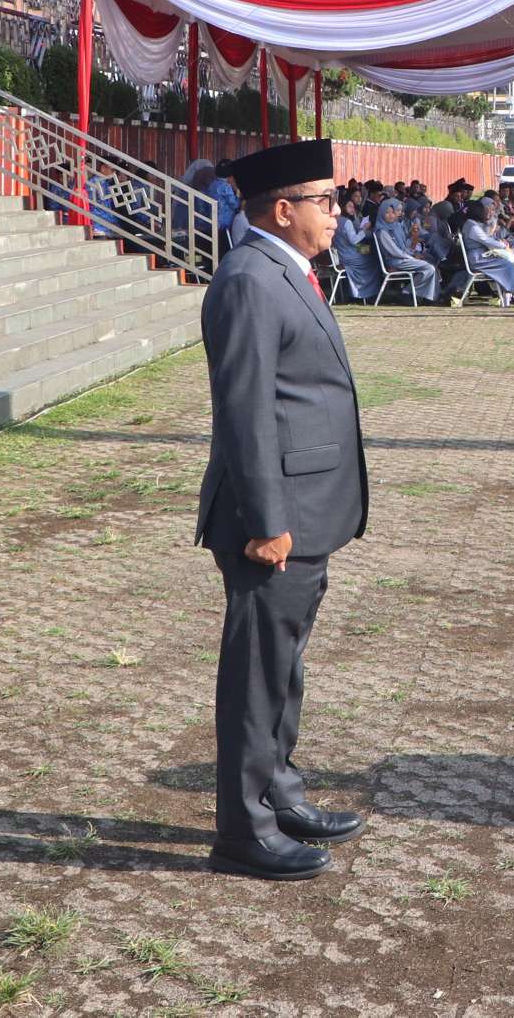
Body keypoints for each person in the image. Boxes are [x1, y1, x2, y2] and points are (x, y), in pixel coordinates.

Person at [196, 138, 369, 882]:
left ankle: (279, 792)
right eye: (325, 200)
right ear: (281, 209)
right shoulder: (248, 280)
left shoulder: (284, 270)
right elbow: (244, 413)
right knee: (256, 676)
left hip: (306, 507)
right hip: (273, 519)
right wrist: (267, 521)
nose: (337, 212)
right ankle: (245, 830)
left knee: (283, 667)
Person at [449, 203, 514, 306]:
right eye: (483, 211)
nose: (485, 213)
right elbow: (486, 240)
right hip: (478, 260)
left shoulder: (471, 224)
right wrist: (503, 246)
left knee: (509, 260)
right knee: (507, 264)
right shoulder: (472, 227)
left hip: (481, 256)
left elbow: (487, 237)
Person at [371, 196, 439, 304]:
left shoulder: (395, 226)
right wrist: (411, 257)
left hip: (402, 258)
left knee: (429, 266)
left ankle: (425, 297)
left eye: (393, 212)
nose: (391, 215)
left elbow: (404, 245)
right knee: (428, 268)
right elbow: (394, 252)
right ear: (381, 213)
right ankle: (408, 293)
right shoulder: (382, 231)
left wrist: (412, 247)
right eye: (387, 212)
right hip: (395, 261)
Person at [331, 188, 381, 303]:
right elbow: (354, 240)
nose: (352, 209)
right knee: (375, 259)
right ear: (342, 207)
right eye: (349, 206)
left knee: (371, 251)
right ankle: (367, 293)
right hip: (351, 253)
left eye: (353, 207)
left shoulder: (336, 220)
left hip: (342, 252)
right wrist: (364, 229)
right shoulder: (347, 222)